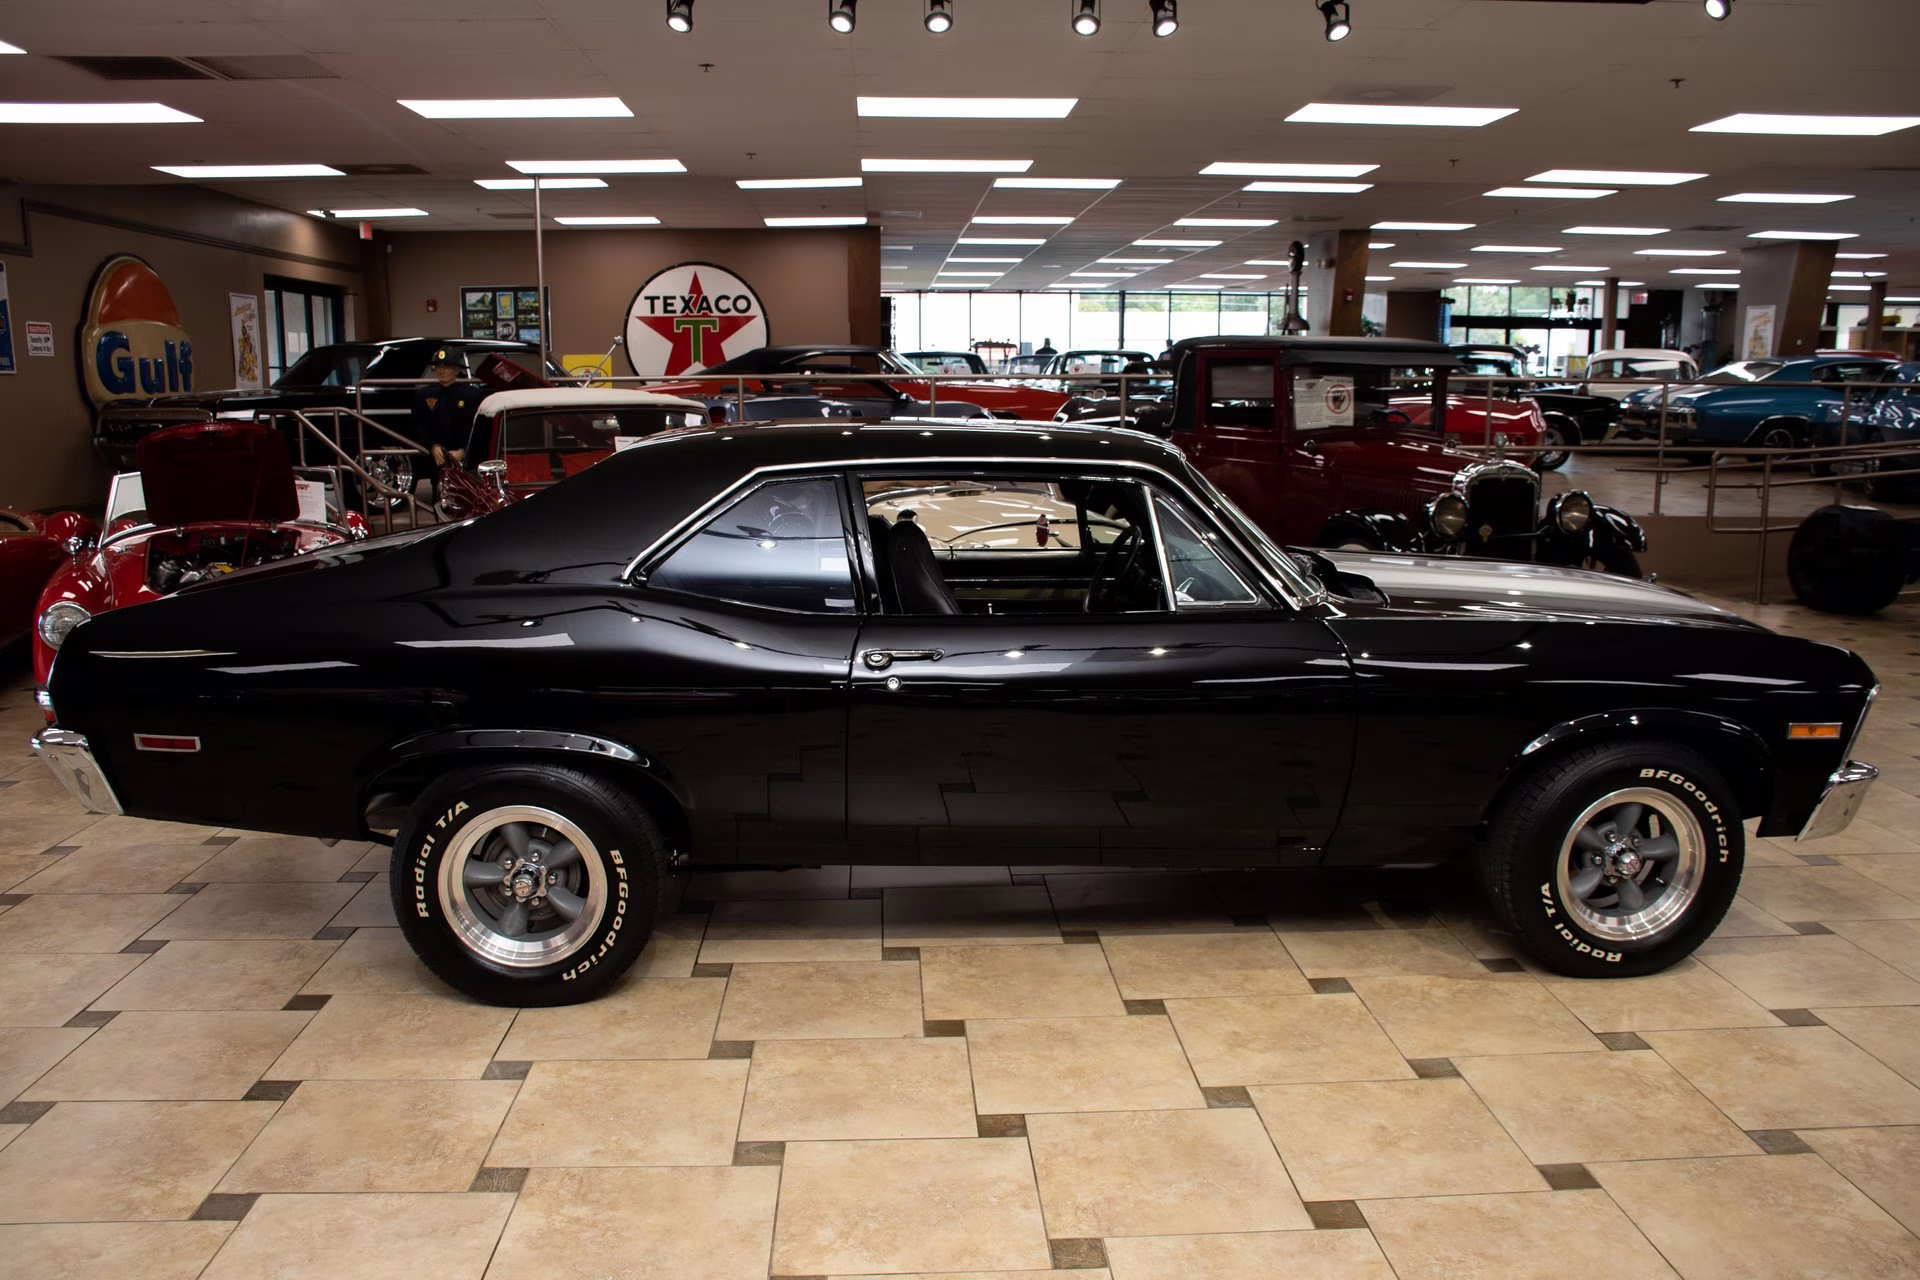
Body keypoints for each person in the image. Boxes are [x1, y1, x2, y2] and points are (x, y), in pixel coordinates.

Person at [409, 349, 479, 502]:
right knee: (439, 502)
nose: (442, 370)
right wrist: (432, 446)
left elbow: (479, 428)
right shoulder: (424, 396)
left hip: (466, 463)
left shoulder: (472, 396)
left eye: (447, 366)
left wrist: (464, 450)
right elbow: (418, 426)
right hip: (437, 462)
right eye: (439, 366)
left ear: (457, 370)